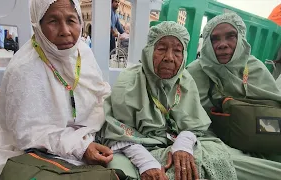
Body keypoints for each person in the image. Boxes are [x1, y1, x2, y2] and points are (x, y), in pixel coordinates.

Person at [0, 0, 112, 179]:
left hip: (86, 135)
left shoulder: (83, 52)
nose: (65, 31)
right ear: (37, 25)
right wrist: (79, 147)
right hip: (36, 149)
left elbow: (99, 93)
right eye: (53, 21)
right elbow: (27, 133)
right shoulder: (23, 67)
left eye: (71, 20)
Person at [100, 21, 237, 180]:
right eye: (161, 49)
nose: (169, 58)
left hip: (173, 143)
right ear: (149, 51)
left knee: (214, 158)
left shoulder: (186, 80)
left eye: (177, 51)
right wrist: (146, 163)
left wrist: (183, 144)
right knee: (119, 171)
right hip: (136, 147)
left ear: (184, 55)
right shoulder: (128, 81)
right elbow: (117, 133)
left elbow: (196, 126)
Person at [187, 13, 281, 179]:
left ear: (241, 39)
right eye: (215, 39)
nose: (223, 44)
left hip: (259, 141)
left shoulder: (255, 68)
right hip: (213, 142)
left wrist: (251, 128)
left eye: (231, 36)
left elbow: (274, 118)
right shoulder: (195, 72)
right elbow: (187, 119)